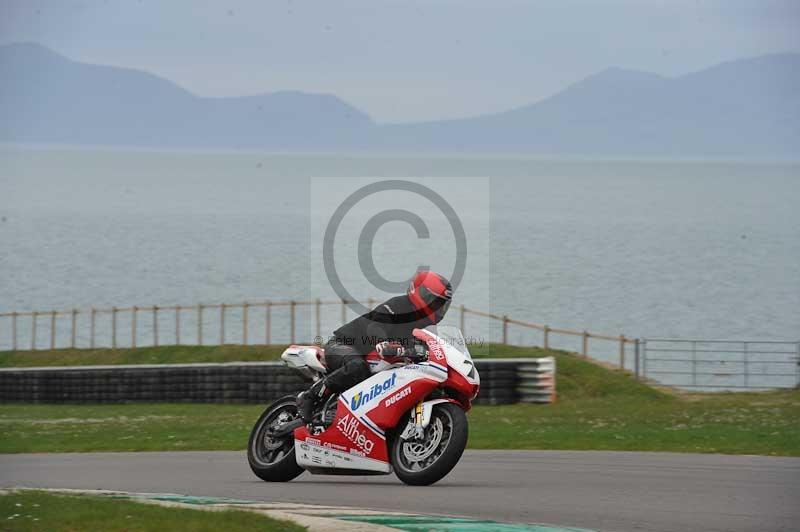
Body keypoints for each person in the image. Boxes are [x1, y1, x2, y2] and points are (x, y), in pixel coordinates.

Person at [297, 270, 453, 422]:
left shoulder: (427, 327)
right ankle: (309, 396)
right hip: (343, 343)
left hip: (377, 361)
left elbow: (429, 346)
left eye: (442, 305)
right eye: (436, 302)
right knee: (357, 366)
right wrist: (381, 343)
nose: (439, 308)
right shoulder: (400, 305)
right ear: (422, 293)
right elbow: (375, 324)